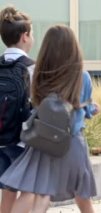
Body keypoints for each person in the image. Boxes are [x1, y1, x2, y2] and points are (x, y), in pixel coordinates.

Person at [0, 25, 100, 213]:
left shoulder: (39, 76)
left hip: (44, 141)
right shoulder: (83, 77)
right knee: (82, 195)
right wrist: (94, 109)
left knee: (40, 192)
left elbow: (36, 105)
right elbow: (84, 111)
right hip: (73, 144)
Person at [0, 6, 34, 213]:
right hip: (22, 141)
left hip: (1, 141)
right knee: (31, 191)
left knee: (8, 191)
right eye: (32, 34)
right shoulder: (32, 67)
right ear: (24, 36)